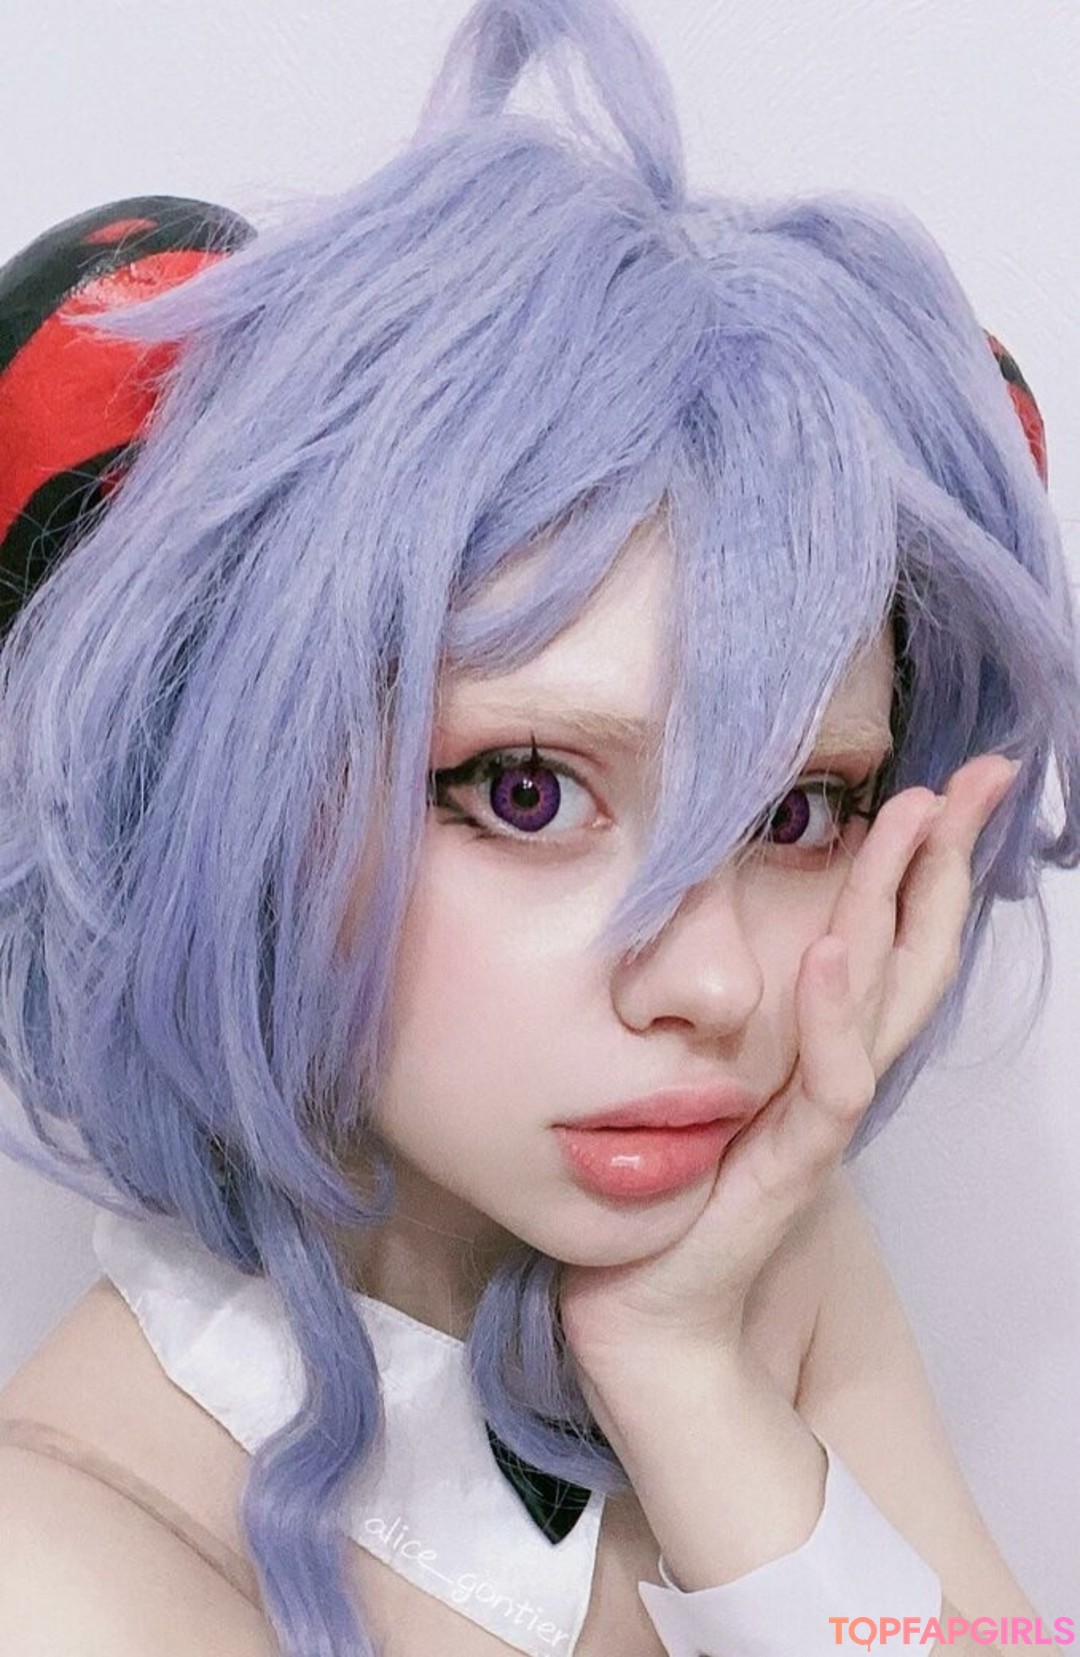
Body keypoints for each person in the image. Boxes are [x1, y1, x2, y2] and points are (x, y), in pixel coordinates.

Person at [0, 0, 1076, 1653]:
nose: (714, 983)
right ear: (235, 792)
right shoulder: (58, 1565)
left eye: (799, 811)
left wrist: (684, 1370)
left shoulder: (760, 1261)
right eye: (527, 790)